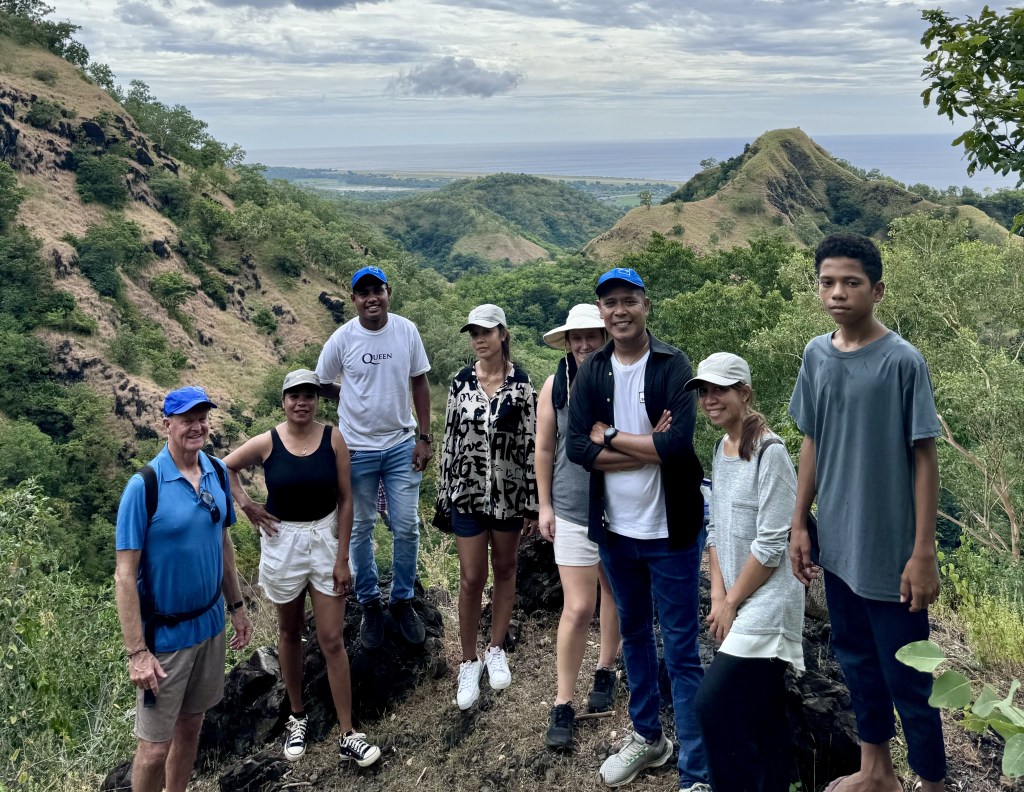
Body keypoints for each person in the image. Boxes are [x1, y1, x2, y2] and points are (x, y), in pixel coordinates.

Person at [788, 233, 945, 792]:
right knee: (856, 662)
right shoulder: (816, 354)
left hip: (891, 554)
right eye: (827, 282)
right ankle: (876, 771)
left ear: (876, 290)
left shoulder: (901, 361)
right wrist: (799, 522)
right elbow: (811, 440)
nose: (838, 293)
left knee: (910, 677)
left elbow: (924, 456)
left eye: (851, 282)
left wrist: (923, 552)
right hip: (839, 547)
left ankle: (932, 782)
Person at [567, 268, 710, 791]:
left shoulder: (673, 365)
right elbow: (576, 448)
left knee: (682, 650)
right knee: (633, 637)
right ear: (601, 312)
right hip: (615, 531)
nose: (620, 311)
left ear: (645, 305)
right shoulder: (593, 370)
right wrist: (646, 447)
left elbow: (677, 446)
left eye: (629, 300)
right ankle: (649, 737)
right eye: (610, 303)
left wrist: (611, 436)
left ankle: (696, 772)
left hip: (671, 533)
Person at [222, 370, 381, 767]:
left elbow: (346, 499)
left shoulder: (333, 438)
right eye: (294, 396)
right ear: (283, 401)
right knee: (290, 632)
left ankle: (348, 732)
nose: (302, 402)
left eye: (309, 395)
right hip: (283, 542)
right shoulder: (268, 442)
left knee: (331, 639)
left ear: (316, 400)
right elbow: (225, 467)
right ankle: (297, 716)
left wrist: (343, 557)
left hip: (325, 538)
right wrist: (247, 505)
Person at [114, 386, 253, 792]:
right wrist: (137, 653)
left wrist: (237, 606)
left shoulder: (216, 471)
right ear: (166, 424)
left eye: (202, 418)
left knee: (191, 727)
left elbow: (222, 542)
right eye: (187, 419)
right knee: (154, 749)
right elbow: (124, 575)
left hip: (210, 626)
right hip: (165, 639)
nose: (197, 426)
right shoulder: (144, 486)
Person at [688, 352, 805, 791]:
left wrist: (732, 602)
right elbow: (716, 527)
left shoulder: (770, 453)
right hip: (738, 595)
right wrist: (719, 595)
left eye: (720, 389)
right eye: (704, 391)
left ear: (745, 393)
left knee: (711, 705)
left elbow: (772, 546)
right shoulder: (721, 449)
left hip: (770, 601)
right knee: (764, 715)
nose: (709, 399)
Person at [315, 265, 433, 650]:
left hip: (401, 445)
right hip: (356, 450)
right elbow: (320, 382)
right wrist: (348, 394)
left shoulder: (406, 331)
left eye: (377, 291)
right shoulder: (342, 338)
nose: (371, 299)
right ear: (354, 299)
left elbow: (419, 380)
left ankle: (402, 600)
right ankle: (369, 603)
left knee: (407, 526)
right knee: (360, 527)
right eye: (363, 293)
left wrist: (424, 437)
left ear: (388, 293)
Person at [537, 304, 635, 748]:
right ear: (567, 342)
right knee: (577, 607)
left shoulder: (622, 381)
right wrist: (544, 505)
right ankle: (563, 700)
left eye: (590, 336)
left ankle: (606, 668)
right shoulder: (555, 385)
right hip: (572, 507)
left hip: (619, 507)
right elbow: (544, 448)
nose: (583, 344)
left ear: (603, 336)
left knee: (612, 591)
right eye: (575, 337)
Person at [435, 304, 538, 710]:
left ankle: (496, 648)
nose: (479, 339)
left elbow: (531, 444)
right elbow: (449, 440)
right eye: (474, 333)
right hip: (468, 493)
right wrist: (444, 495)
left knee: (506, 568)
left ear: (502, 334)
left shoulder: (522, 384)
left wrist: (532, 502)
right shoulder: (461, 382)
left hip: (510, 495)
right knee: (471, 577)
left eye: (486, 332)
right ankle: (468, 660)